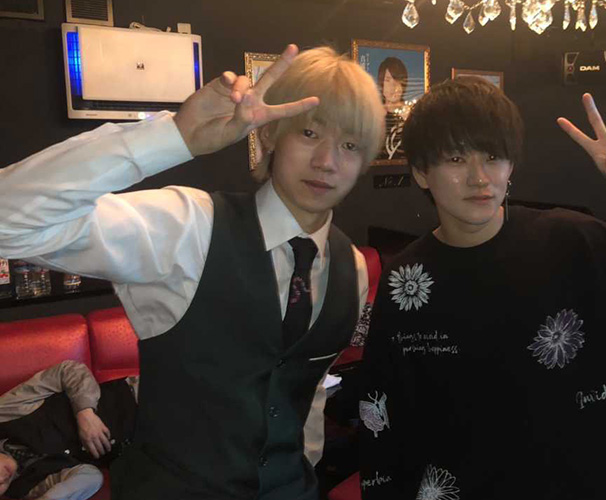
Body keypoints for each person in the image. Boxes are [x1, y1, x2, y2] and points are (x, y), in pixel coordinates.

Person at [0, 44, 385, 500]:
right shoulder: (188, 228)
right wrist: (175, 137)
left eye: (349, 145)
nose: (327, 161)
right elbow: (10, 221)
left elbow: (307, 393)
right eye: (309, 132)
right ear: (270, 134)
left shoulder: (351, 267)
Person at [358, 77, 606, 499]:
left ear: (511, 166)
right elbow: (383, 414)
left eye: (493, 156)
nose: (479, 178)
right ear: (421, 173)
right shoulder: (405, 281)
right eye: (456, 158)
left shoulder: (575, 243)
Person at [0, 361, 137, 500]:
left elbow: (69, 370)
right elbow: (91, 477)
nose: (1, 479)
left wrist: (85, 413)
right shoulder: (24, 489)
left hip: (135, 399)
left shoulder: (4, 412)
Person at [377, 57, 408, 160]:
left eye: (397, 80)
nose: (393, 86)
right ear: (382, 83)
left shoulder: (411, 116)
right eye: (388, 80)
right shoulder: (375, 116)